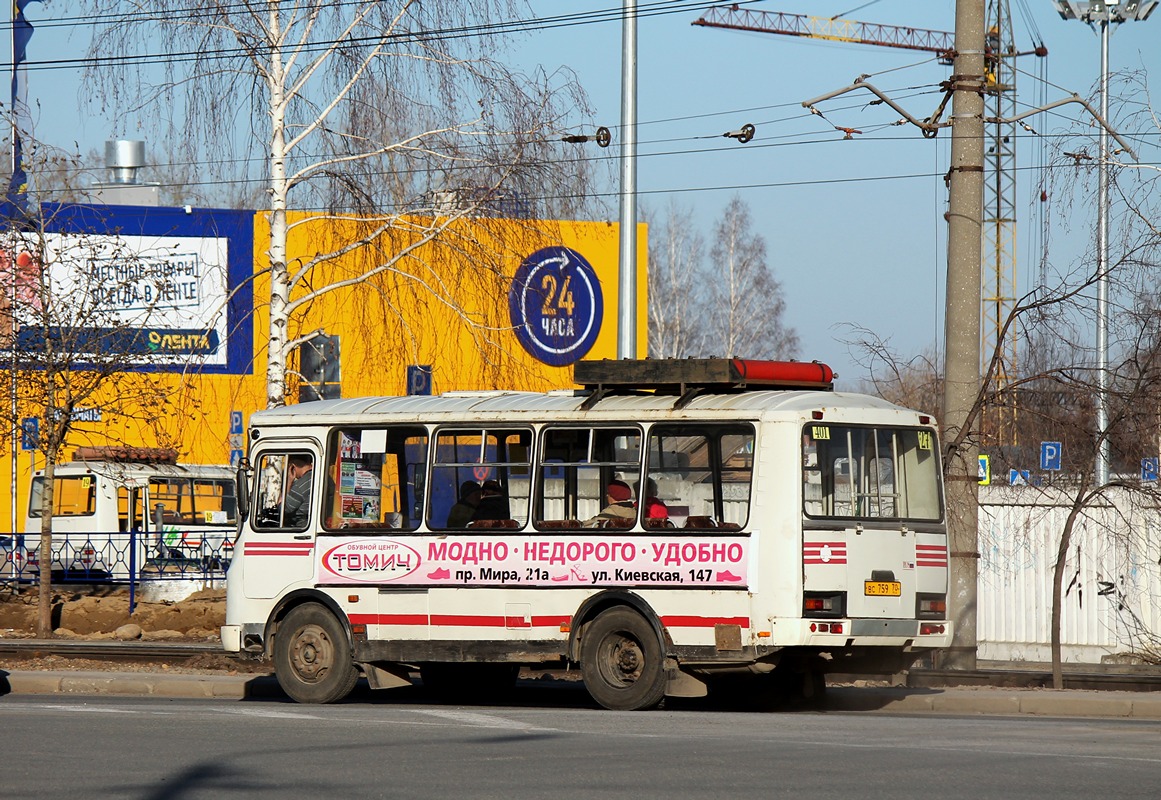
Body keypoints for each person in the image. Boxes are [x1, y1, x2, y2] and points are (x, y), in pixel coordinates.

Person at [283, 455, 314, 528]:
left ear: (292, 467)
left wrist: (288, 482)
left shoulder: (300, 485)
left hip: (301, 528)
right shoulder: (326, 478)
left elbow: (284, 509)